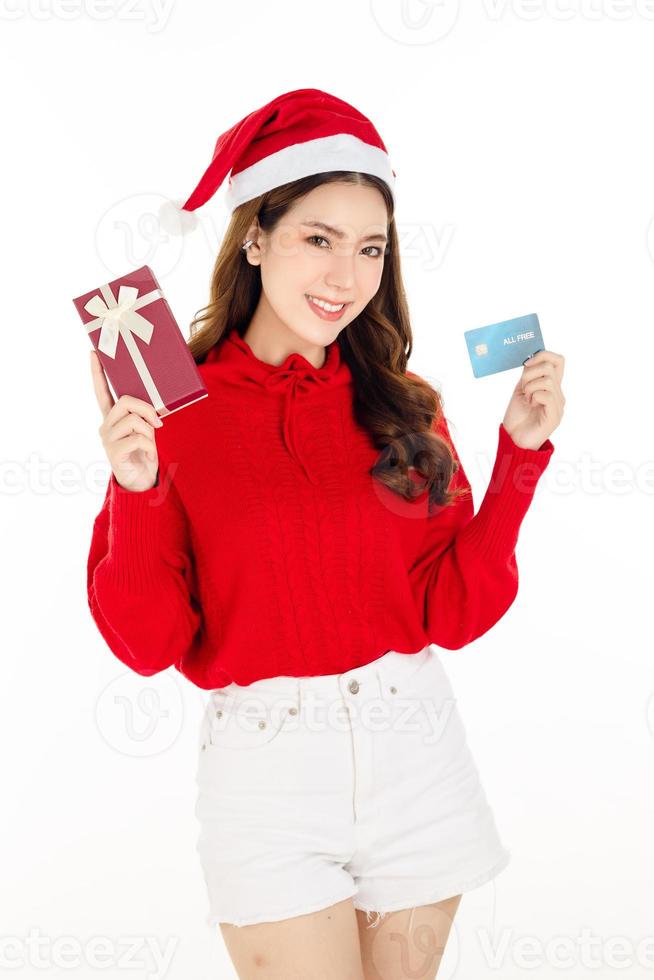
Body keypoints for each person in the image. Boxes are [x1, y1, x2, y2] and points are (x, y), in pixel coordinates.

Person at [87, 88, 565, 980]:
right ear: (256, 238)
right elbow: (150, 644)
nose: (346, 277)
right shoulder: (169, 408)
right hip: (267, 783)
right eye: (318, 238)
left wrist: (520, 461)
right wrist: (137, 491)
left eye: (370, 247)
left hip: (416, 751)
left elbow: (450, 613)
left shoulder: (402, 404)